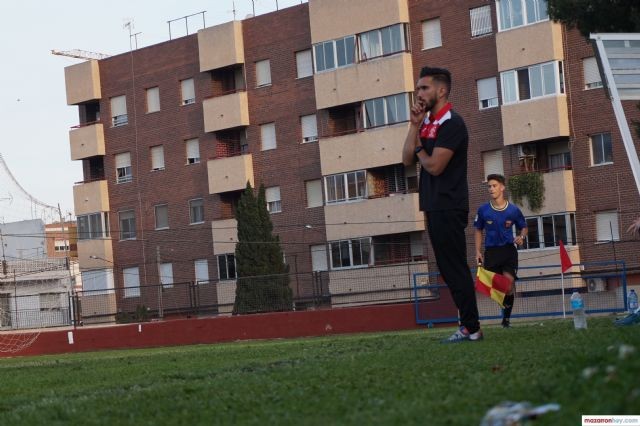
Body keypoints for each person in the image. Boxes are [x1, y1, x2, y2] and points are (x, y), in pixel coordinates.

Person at [402, 66, 481, 343]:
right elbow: (406, 160)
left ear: (441, 90)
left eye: (424, 88)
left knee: (455, 267)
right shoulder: (425, 123)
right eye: (418, 88)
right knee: (447, 268)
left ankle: (472, 328)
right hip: (432, 204)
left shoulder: (453, 123)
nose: (419, 93)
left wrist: (421, 147)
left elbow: (434, 166)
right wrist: (414, 126)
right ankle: (469, 326)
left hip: (449, 204)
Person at [474, 174, 527, 328]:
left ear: (502, 187)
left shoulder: (513, 210)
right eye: (489, 186)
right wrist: (477, 251)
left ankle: (506, 320)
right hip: (491, 252)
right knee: (498, 288)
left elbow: (524, 227)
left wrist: (521, 237)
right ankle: (505, 309)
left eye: (494, 185)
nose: (491, 189)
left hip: (509, 251)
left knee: (509, 285)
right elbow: (478, 230)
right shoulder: (483, 210)